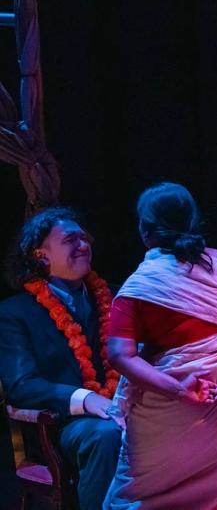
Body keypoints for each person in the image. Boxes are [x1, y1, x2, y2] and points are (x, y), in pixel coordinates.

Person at [103, 182, 217, 509]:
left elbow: (119, 354)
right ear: (194, 222)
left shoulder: (140, 286)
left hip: (169, 414)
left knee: (139, 499)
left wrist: (178, 388)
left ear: (145, 232)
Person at [0, 207, 122, 510]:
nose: (84, 245)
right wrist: (85, 399)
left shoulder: (115, 300)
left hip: (123, 409)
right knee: (106, 435)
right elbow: (21, 384)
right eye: (71, 240)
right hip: (61, 426)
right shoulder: (15, 313)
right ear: (41, 255)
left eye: (85, 238)